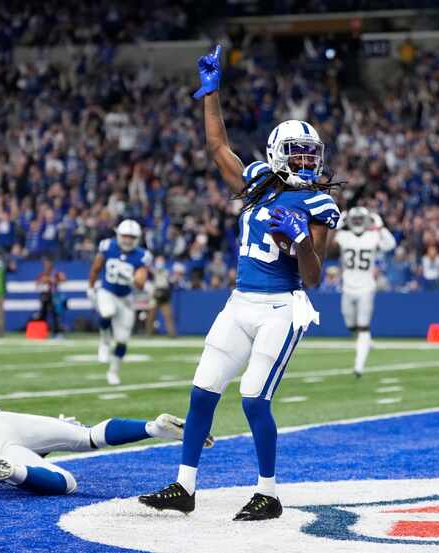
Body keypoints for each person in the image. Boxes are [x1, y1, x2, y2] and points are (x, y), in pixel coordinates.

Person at [139, 45, 341, 521]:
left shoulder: (319, 206)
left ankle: (268, 493)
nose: (308, 163)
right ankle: (184, 486)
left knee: (253, 397)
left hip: (282, 308)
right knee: (202, 389)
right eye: (299, 154)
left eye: (312, 155)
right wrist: (211, 93)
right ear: (277, 154)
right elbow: (216, 148)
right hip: (239, 302)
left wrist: (301, 244)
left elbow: (312, 279)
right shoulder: (256, 181)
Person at [0, 304, 213, 495]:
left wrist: (48, 440)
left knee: (64, 482)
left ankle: (12, 472)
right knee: (85, 438)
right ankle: (152, 427)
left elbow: (27, 451)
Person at [87, 219, 152, 385]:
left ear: (137, 238)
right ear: (118, 235)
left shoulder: (142, 255)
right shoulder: (108, 246)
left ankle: (113, 371)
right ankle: (104, 342)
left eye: (131, 237)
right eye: (125, 236)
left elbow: (141, 282)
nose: (128, 240)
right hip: (107, 291)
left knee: (122, 339)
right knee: (107, 312)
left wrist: (131, 278)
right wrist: (90, 286)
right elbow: (96, 267)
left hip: (126, 298)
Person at [334, 207, 396, 377]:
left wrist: (381, 226)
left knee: (363, 328)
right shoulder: (343, 236)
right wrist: (338, 223)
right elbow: (329, 243)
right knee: (351, 326)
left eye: (361, 219)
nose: (358, 222)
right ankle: (366, 341)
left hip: (366, 288)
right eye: (356, 219)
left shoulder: (372, 236)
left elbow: (391, 244)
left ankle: (358, 367)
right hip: (347, 287)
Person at [147, 255, 177, 337]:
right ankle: (149, 333)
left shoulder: (167, 271)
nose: (160, 262)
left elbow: (172, 280)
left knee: (168, 315)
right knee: (151, 315)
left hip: (164, 294)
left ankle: (172, 333)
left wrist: (175, 277)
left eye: (161, 260)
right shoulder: (152, 271)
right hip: (155, 294)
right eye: (158, 260)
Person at [36, 258, 66, 338]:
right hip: (45, 297)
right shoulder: (42, 274)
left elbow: (63, 278)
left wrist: (53, 280)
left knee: (55, 314)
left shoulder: (55, 273)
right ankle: (41, 333)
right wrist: (45, 280)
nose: (46, 266)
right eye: (45, 265)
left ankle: (57, 333)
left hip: (54, 296)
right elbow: (38, 283)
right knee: (43, 314)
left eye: (47, 264)